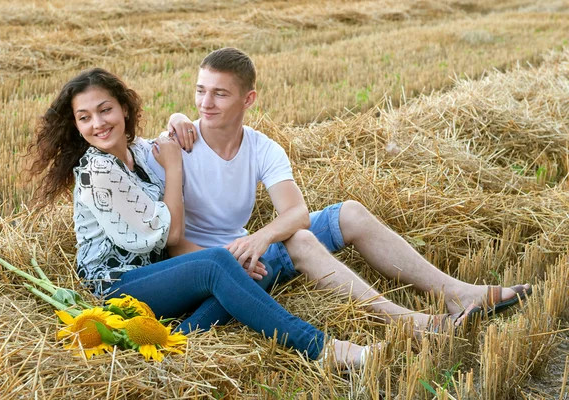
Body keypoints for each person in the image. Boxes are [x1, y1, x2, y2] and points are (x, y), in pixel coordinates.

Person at [148, 47, 532, 335]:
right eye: (200, 91)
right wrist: (236, 262)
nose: (204, 103)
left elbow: (295, 212)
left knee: (349, 212)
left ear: (248, 99)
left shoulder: (263, 147)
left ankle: (459, 293)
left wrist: (260, 239)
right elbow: (173, 241)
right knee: (299, 241)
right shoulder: (177, 144)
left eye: (219, 93)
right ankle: (414, 324)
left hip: (250, 255)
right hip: (212, 270)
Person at [26, 67, 378, 369]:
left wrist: (177, 120)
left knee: (238, 271)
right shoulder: (97, 171)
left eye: (105, 110)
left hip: (155, 277)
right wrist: (176, 166)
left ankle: (180, 336)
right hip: (115, 286)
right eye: (84, 117)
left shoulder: (138, 153)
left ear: (124, 109)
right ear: (75, 125)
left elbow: (172, 136)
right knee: (218, 264)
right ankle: (325, 349)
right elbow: (170, 235)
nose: (98, 124)